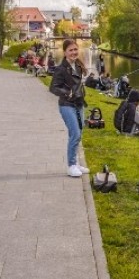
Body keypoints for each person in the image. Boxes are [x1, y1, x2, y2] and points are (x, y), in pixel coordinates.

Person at [49, 39, 90, 177]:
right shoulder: (61, 69)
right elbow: (53, 87)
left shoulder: (77, 65)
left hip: (78, 104)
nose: (74, 52)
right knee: (75, 134)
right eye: (71, 50)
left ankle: (76, 163)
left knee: (78, 134)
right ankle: (71, 165)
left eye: (75, 49)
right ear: (65, 52)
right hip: (67, 105)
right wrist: (67, 92)